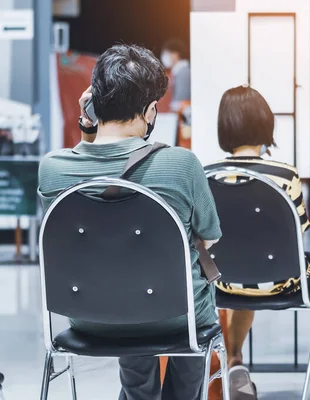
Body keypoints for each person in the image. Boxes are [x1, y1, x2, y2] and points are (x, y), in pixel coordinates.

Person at [38, 44, 222, 400]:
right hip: (176, 318)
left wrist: (86, 129)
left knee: (123, 283)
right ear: (150, 111)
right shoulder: (181, 165)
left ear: (93, 103)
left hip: (90, 317)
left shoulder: (52, 169)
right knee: (169, 287)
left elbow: (87, 169)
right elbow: (209, 239)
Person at [207, 85, 310, 398]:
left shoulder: (208, 175)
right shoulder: (284, 175)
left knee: (243, 270)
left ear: (223, 129)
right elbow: (298, 234)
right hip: (283, 280)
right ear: (266, 125)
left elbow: (205, 235)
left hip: (225, 284)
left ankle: (235, 359)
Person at [161, 39, 191, 112]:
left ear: (175, 54)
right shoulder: (177, 72)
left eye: (166, 53)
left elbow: (181, 101)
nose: (164, 57)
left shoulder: (183, 72)